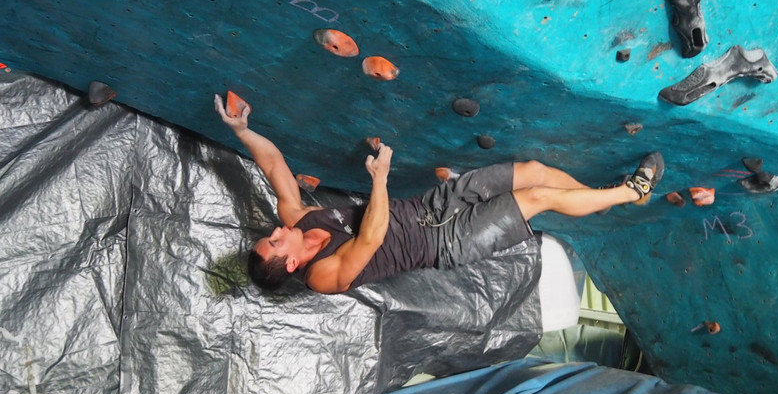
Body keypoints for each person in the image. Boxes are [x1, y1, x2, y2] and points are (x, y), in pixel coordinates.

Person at [215, 95, 664, 294]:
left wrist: (242, 130)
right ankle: (631, 191)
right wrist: (379, 179)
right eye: (275, 242)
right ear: (290, 263)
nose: (276, 230)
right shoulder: (322, 277)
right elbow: (371, 239)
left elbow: (274, 165)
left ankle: (607, 197)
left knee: (533, 171)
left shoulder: (296, 216)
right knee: (540, 198)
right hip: (446, 242)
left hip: (431, 206)